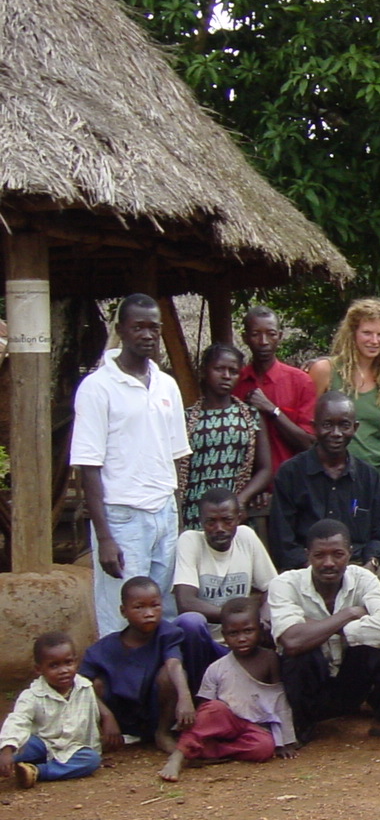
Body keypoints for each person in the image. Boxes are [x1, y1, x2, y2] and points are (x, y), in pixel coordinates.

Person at [72, 294, 191, 635]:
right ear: (121, 330)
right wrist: (105, 536)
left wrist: (176, 515)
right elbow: (88, 466)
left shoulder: (167, 385)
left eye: (154, 328)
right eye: (138, 327)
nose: (147, 335)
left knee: (162, 608)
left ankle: (160, 685)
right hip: (121, 516)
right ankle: (119, 686)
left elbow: (176, 456)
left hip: (163, 513)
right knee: (121, 612)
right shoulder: (97, 388)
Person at [267, 392, 380, 620]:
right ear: (314, 426)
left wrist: (370, 565)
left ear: (355, 428)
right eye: (328, 425)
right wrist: (317, 565)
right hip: (310, 568)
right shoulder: (291, 473)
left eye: (344, 425)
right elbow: (283, 542)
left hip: (360, 567)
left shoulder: (367, 476)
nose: (336, 433)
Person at [268, 520, 380, 742]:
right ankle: (302, 725)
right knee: (300, 654)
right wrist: (349, 614)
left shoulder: (363, 578)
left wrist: (319, 627)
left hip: (351, 684)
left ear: (350, 553)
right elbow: (291, 641)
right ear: (308, 555)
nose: (329, 563)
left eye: (337, 554)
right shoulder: (286, 583)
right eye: (320, 555)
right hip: (308, 689)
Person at [161, 597, 298, 781]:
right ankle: (179, 754)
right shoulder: (217, 668)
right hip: (225, 722)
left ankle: (211, 752)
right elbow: (205, 709)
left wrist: (286, 740)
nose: (242, 638)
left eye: (248, 631)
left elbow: (280, 701)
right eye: (234, 633)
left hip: (255, 726)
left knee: (264, 748)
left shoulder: (269, 659)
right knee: (215, 709)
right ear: (224, 635)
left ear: (260, 628)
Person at [80, 576, 215, 759]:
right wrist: (107, 716)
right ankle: (108, 737)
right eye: (139, 607)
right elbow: (80, 683)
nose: (149, 613)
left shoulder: (168, 634)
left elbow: (174, 664)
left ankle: (162, 733)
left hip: (154, 712)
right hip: (122, 716)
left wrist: (185, 698)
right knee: (94, 684)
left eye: (155, 605)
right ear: (123, 611)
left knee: (170, 674)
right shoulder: (104, 648)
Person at [178, 343, 272, 528]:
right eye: (219, 369)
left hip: (233, 514)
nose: (226, 376)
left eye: (233, 371)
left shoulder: (250, 416)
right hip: (194, 511)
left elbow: (265, 469)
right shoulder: (186, 418)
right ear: (205, 371)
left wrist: (240, 500)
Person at [308, 298, 380, 470]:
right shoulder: (325, 370)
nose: (374, 341)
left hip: (375, 475)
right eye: (367, 333)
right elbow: (307, 425)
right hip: (331, 473)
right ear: (353, 333)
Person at [0, 633, 108, 788]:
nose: (63, 670)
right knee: (19, 745)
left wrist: (106, 723)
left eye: (68, 663)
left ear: (76, 662)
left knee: (91, 760)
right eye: (54, 666)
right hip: (42, 744)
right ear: (39, 669)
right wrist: (7, 749)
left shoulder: (85, 688)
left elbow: (92, 723)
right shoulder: (32, 695)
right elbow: (18, 720)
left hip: (72, 749)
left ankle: (35, 771)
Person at [173, 489, 277, 638]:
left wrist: (263, 619)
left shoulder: (246, 536)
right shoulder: (190, 540)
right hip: (208, 642)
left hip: (243, 641)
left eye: (227, 520)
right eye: (211, 522)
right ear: (201, 521)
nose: (219, 528)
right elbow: (186, 602)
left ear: (238, 518)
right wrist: (242, 619)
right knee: (190, 621)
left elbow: (273, 588)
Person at [233, 306, 316, 474]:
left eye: (270, 334)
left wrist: (273, 410)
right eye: (256, 334)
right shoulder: (235, 383)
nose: (263, 341)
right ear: (245, 338)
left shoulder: (300, 382)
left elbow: (309, 443)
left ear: (279, 336)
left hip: (292, 485)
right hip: (246, 487)